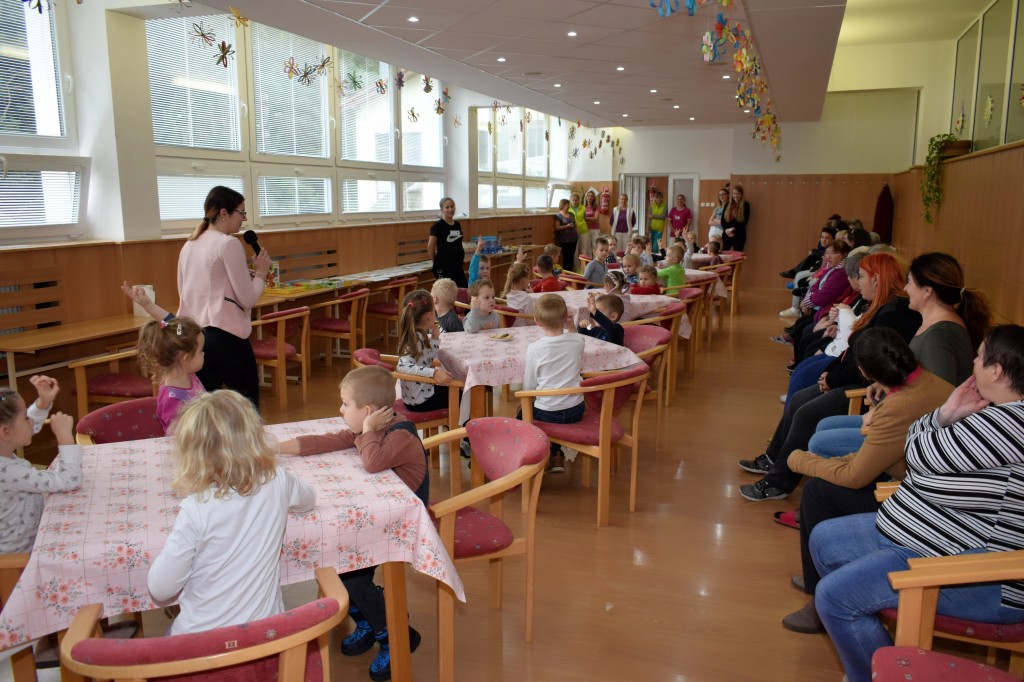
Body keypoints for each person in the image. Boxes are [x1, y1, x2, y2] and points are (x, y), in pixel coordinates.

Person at [810, 325, 1024, 682]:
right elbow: (923, 457)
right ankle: (870, 640)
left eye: (979, 356)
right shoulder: (996, 414)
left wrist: (943, 420)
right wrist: (945, 416)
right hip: (937, 539)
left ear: (997, 371)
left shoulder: (1009, 424)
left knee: (834, 598)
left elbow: (916, 452)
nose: (973, 363)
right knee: (824, 540)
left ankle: (871, 671)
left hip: (981, 574)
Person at [778, 328, 953, 634]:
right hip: (921, 484)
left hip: (917, 497)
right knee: (826, 480)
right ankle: (821, 578)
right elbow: (870, 458)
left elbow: (856, 476)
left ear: (864, 371)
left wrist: (797, 459)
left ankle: (821, 597)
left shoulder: (899, 407)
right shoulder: (931, 384)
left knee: (818, 493)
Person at [278, 366, 426, 681]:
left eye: (346, 404)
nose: (340, 410)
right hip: (377, 516)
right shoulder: (367, 429)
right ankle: (370, 621)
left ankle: (395, 633)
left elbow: (372, 462)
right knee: (339, 563)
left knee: (352, 576)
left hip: (402, 525)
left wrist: (368, 430)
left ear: (368, 411)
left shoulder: (398, 434)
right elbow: (328, 441)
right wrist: (276, 448)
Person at [738, 253, 922, 501]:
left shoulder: (893, 314)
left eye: (861, 277)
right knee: (798, 399)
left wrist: (832, 379)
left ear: (877, 279)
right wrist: (831, 373)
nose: (858, 282)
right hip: (854, 377)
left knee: (807, 414)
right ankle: (773, 459)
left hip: (867, 389)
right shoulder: (878, 306)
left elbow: (871, 365)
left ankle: (778, 483)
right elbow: (853, 350)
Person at [148, 390, 316, 636]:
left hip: (204, 645)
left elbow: (161, 589)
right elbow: (309, 499)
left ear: (190, 454)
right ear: (255, 437)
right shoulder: (277, 479)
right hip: (266, 637)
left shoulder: (195, 509)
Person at [176, 186, 269, 409]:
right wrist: (261, 274)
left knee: (208, 410)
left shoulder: (190, 244)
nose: (244, 219)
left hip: (198, 339)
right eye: (241, 213)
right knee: (246, 410)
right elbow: (248, 299)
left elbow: (191, 292)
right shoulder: (228, 243)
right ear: (224, 213)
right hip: (227, 338)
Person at [0, 376, 81, 554]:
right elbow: (70, 480)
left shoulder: (4, 449)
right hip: (21, 558)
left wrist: (43, 403)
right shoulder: (7, 471)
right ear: (5, 432)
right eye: (25, 417)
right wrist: (65, 437)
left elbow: (23, 430)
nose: (31, 421)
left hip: (34, 535)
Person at [522, 294, 585, 473]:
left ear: (537, 321)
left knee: (522, 412)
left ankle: (535, 457)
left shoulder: (535, 348)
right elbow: (576, 337)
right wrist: (571, 326)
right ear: (566, 317)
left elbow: (528, 387)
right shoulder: (578, 341)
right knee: (548, 406)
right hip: (576, 410)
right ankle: (557, 454)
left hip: (548, 413)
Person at [137, 317, 206, 433]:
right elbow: (181, 437)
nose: (203, 354)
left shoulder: (190, 376)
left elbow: (177, 328)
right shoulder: (172, 401)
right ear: (186, 359)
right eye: (201, 351)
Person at [396, 291, 453, 413]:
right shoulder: (415, 340)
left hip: (419, 396)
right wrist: (434, 373)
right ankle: (466, 425)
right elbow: (402, 366)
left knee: (455, 390)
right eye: (434, 311)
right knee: (460, 396)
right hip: (420, 401)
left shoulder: (418, 335)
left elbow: (426, 359)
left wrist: (435, 339)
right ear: (429, 316)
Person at [428, 197, 466, 287]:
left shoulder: (457, 224)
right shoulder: (438, 226)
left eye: (452, 206)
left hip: (457, 266)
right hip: (443, 267)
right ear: (442, 209)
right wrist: (435, 261)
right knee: (446, 292)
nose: (450, 209)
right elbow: (430, 246)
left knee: (464, 290)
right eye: (447, 207)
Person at [721, 184, 750, 252]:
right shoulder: (727, 204)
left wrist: (731, 230)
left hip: (739, 235)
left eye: (738, 193)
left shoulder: (745, 205)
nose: (736, 195)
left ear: (741, 194)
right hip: (727, 234)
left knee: (737, 255)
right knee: (725, 254)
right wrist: (727, 230)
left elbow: (744, 222)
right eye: (734, 193)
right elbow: (723, 220)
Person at [553, 198, 579, 272]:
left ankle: (571, 272)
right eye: (567, 205)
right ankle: (566, 273)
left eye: (569, 205)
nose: (568, 206)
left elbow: (575, 224)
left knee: (571, 256)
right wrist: (566, 226)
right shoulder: (559, 215)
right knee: (566, 257)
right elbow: (557, 227)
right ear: (563, 205)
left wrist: (577, 233)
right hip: (564, 240)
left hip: (573, 239)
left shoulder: (571, 214)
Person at [569, 192, 589, 259]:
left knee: (584, 250)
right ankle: (576, 266)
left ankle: (584, 265)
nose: (574, 202)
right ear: (571, 200)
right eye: (573, 200)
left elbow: (585, 218)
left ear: (579, 200)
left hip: (583, 231)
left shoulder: (583, 208)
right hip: (573, 231)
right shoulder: (568, 208)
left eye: (576, 200)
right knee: (575, 251)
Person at [583, 190, 600, 257]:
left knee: (595, 246)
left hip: (595, 229)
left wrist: (586, 218)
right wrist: (591, 219)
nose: (590, 197)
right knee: (587, 247)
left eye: (592, 196)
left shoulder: (597, 206)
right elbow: (582, 218)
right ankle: (589, 261)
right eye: (588, 196)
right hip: (585, 229)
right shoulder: (583, 207)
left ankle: (596, 260)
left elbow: (596, 218)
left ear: (594, 198)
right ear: (586, 197)